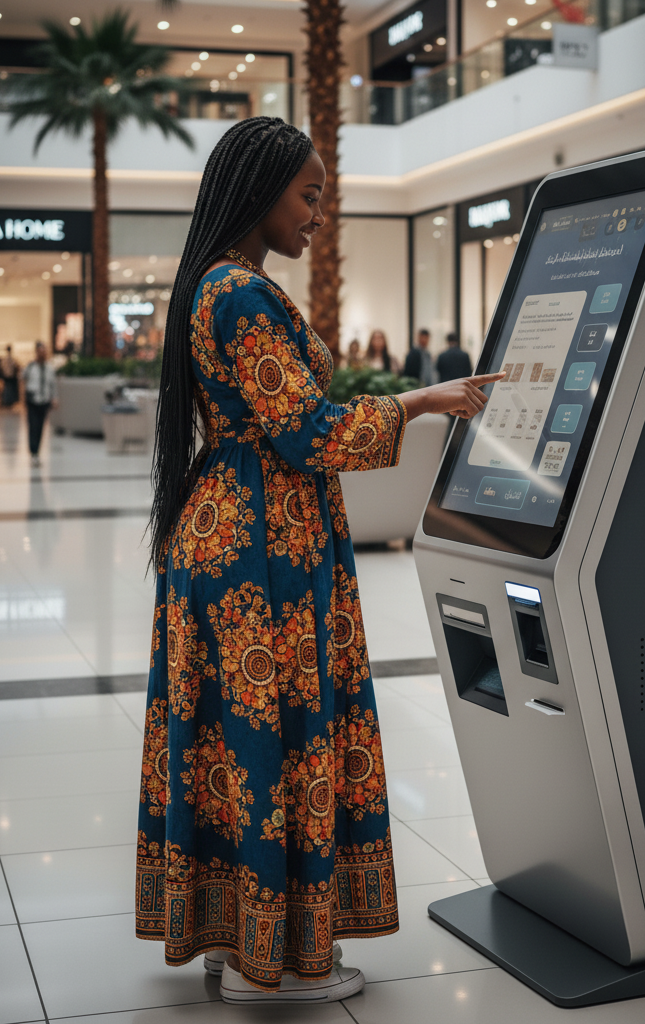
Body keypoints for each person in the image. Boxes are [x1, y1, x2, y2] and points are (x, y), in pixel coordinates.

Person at [143, 117, 502, 1005]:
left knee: (237, 738)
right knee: (279, 735)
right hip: (261, 553)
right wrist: (423, 400)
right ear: (262, 191)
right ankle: (282, 962)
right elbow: (311, 433)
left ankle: (243, 941)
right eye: (309, 196)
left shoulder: (214, 286)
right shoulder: (241, 295)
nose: (317, 216)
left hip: (234, 537)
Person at [22, 342, 57, 467]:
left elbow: (53, 385)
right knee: (33, 426)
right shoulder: (30, 367)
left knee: (41, 427)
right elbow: (22, 380)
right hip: (32, 401)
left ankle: (37, 451)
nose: (43, 354)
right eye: (40, 351)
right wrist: (22, 398)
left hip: (44, 401)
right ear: (36, 352)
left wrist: (54, 398)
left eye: (44, 351)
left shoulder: (49, 368)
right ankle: (33, 452)